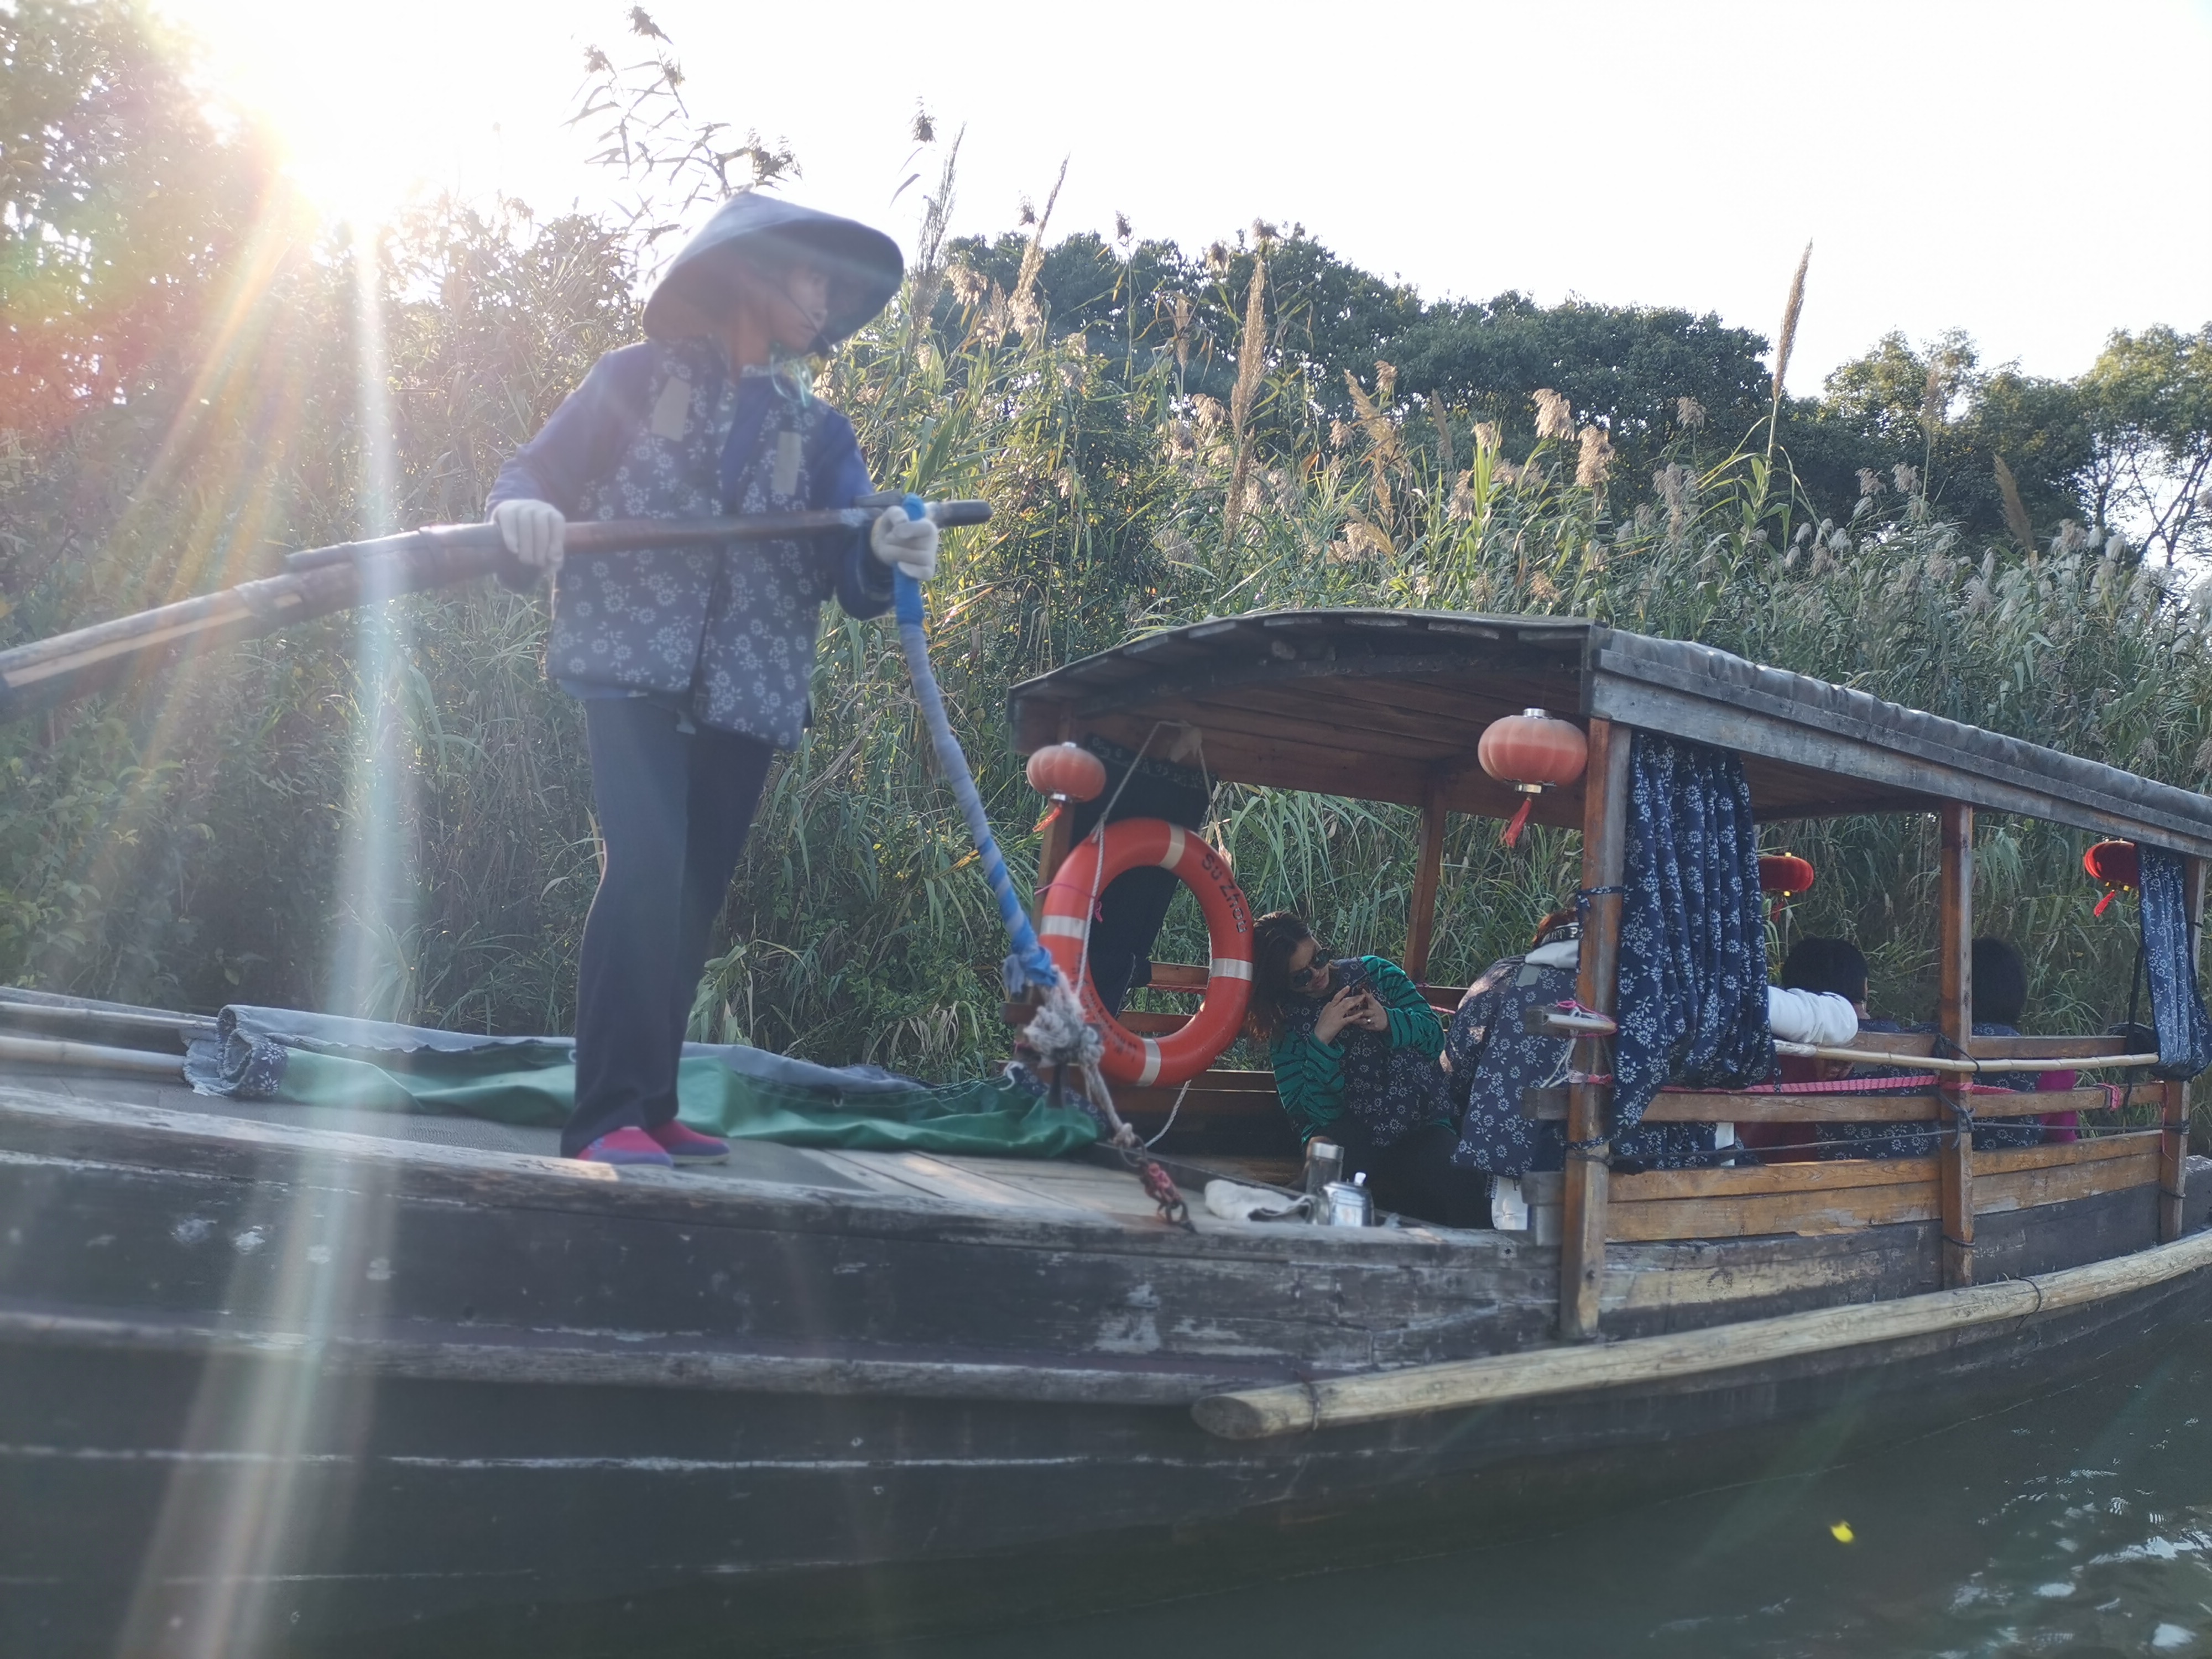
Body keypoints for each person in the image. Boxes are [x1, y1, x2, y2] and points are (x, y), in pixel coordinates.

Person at [486, 196, 941, 1167]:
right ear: (756, 272)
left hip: (748, 688)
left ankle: (652, 1102)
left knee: (692, 894)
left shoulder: (815, 430)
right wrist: (522, 515)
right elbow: (532, 476)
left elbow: (852, 550)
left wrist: (890, 543)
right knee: (644, 872)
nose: (824, 300)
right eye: (811, 276)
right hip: (631, 667)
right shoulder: (634, 383)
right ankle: (602, 1111)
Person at [1246, 911, 1488, 1227]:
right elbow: (1311, 1111)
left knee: (1469, 1179)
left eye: (1320, 957)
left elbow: (1434, 1038)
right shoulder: (1285, 1024)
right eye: (1301, 977)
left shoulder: (1376, 972)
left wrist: (1389, 1021)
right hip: (1343, 1129)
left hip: (1415, 1120)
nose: (1317, 973)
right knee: (1326, 1182)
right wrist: (1321, 1041)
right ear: (1283, 983)